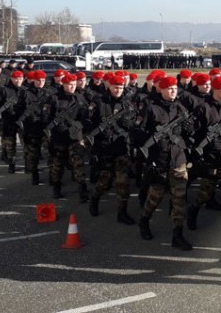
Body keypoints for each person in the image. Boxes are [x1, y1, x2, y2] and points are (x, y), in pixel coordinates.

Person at [136, 76, 195, 250]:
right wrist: (151, 142)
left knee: (179, 199)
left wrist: (189, 128)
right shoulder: (150, 108)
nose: (173, 91)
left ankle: (177, 234)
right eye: (169, 88)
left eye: (175, 88)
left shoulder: (180, 108)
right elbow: (137, 132)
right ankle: (144, 220)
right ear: (160, 89)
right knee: (155, 196)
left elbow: (190, 132)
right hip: (159, 160)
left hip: (178, 158)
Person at [187, 75, 221, 237]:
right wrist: (197, 155)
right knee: (206, 192)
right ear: (215, 90)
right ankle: (193, 210)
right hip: (210, 156)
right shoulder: (203, 108)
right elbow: (194, 133)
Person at [87, 74, 137, 224]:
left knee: (123, 182)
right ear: (109, 86)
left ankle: (122, 212)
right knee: (104, 181)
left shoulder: (127, 103)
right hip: (105, 149)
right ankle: (94, 198)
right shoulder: (99, 102)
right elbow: (87, 121)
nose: (118, 90)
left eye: (121, 87)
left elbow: (135, 122)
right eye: (115, 87)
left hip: (121, 148)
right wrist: (98, 132)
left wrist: (129, 122)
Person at [43, 73, 90, 201]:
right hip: (59, 137)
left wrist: (78, 125)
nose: (72, 87)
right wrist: (56, 125)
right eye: (70, 84)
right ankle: (56, 187)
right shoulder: (54, 98)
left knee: (78, 163)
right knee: (58, 164)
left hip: (75, 137)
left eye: (74, 84)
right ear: (63, 84)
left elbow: (86, 117)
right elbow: (45, 116)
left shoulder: (80, 98)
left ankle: (82, 188)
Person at [19, 70, 50, 185]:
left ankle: (53, 175)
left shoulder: (48, 93)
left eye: (43, 80)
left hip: (45, 127)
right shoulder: (26, 93)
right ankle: (34, 174)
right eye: (38, 80)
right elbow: (19, 109)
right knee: (33, 153)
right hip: (31, 127)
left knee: (50, 151)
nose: (41, 82)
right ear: (34, 80)